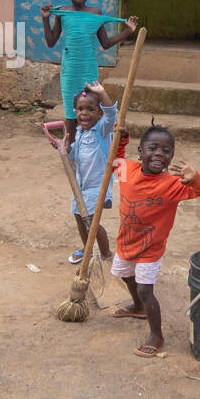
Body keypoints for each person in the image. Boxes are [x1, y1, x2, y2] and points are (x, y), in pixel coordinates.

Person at [111, 125, 200, 358]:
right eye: (152, 148)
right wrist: (120, 139)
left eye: (166, 150)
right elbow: (114, 160)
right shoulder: (128, 170)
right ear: (141, 152)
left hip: (151, 247)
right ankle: (138, 307)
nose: (159, 154)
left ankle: (156, 334)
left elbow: (199, 190)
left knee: (145, 289)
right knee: (125, 275)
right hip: (126, 241)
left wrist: (196, 178)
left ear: (171, 157)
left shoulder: (173, 185)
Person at [40, 0, 137, 144]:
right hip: (69, 73)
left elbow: (106, 43)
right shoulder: (62, 13)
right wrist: (45, 20)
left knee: (92, 110)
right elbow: (51, 41)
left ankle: (93, 149)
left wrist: (127, 31)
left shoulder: (95, 12)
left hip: (88, 72)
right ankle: (71, 154)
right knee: (71, 115)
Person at [45, 82, 128, 265]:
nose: (84, 113)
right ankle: (88, 248)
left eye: (91, 109)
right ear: (75, 112)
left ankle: (105, 253)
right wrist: (65, 148)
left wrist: (102, 92)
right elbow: (74, 157)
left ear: (99, 113)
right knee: (79, 218)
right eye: (80, 109)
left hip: (97, 187)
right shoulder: (80, 133)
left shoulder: (102, 130)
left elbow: (112, 114)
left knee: (91, 222)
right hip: (80, 186)